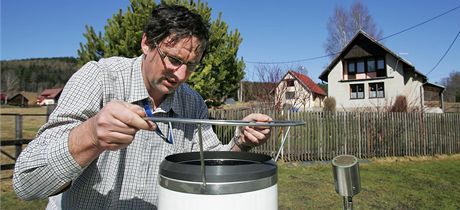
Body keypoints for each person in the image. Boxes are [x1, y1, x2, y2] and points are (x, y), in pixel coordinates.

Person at [13, 4, 272, 210]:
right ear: (147, 43)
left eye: (191, 65)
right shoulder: (99, 78)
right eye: (173, 59)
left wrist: (242, 142)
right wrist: (91, 135)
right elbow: (27, 183)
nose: (180, 75)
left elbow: (209, 166)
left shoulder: (192, 102)